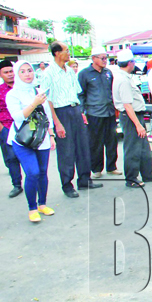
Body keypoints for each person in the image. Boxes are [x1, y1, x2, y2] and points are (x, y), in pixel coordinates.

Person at [41, 41, 103, 198]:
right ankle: (67, 184)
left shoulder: (69, 71)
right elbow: (47, 101)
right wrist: (56, 122)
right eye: (66, 50)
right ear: (57, 53)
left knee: (83, 147)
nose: (69, 53)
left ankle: (84, 180)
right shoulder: (48, 73)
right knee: (66, 151)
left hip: (75, 110)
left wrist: (80, 112)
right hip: (60, 113)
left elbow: (76, 94)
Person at [6, 61, 56, 222]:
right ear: (17, 74)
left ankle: (42, 204)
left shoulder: (39, 90)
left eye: (29, 70)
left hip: (41, 138)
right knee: (32, 172)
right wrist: (34, 103)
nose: (27, 74)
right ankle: (32, 208)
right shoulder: (12, 94)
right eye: (22, 71)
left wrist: (51, 135)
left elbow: (47, 115)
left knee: (42, 172)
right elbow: (18, 117)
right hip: (22, 140)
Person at [113, 49, 152, 187]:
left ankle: (147, 174)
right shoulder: (123, 80)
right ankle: (131, 178)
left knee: (144, 147)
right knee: (133, 148)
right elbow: (127, 105)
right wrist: (138, 125)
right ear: (130, 63)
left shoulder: (125, 77)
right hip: (130, 116)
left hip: (135, 114)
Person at [78, 46, 121, 179]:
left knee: (112, 140)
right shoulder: (84, 74)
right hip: (94, 112)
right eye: (102, 58)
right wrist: (82, 111)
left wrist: (116, 107)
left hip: (109, 112)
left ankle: (111, 166)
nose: (105, 60)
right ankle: (96, 168)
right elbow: (81, 94)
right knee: (95, 142)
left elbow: (112, 91)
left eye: (106, 58)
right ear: (93, 58)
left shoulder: (108, 72)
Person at [0, 60, 23, 197]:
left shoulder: (22, 88)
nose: (10, 75)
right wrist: (2, 128)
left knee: (30, 155)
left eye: (11, 71)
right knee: (11, 157)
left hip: (24, 126)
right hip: (7, 127)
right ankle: (16, 185)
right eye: (6, 72)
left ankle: (34, 181)